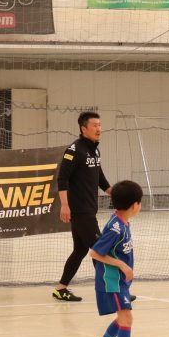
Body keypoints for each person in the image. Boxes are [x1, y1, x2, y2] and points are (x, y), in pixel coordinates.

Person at [87, 180, 148, 337]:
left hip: (120, 281)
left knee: (124, 318)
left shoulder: (124, 223)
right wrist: (122, 265)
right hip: (111, 281)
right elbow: (95, 253)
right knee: (126, 318)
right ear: (134, 205)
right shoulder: (116, 228)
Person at [52, 111, 112, 302]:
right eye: (94, 125)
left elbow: (100, 178)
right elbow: (62, 179)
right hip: (80, 210)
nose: (99, 129)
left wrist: (115, 193)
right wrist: (65, 205)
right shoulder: (74, 150)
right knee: (100, 249)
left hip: (89, 209)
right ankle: (111, 291)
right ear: (83, 128)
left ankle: (61, 288)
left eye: (100, 125)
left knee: (80, 250)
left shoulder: (94, 150)